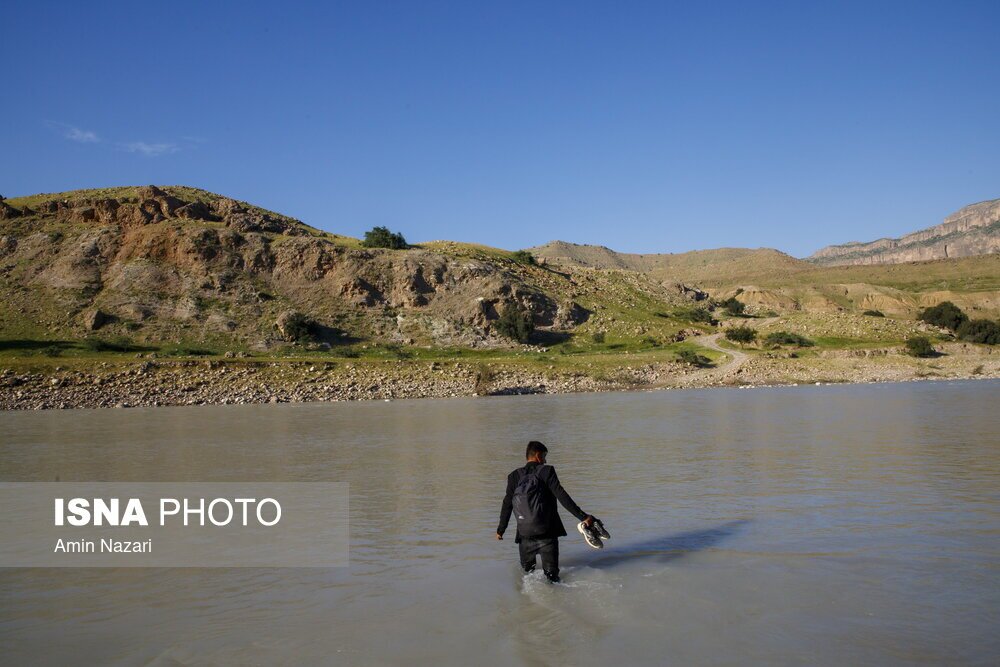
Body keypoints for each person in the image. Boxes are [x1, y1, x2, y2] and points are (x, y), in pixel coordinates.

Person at [496, 441, 594, 583]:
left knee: (528, 577)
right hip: (547, 535)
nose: (545, 460)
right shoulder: (546, 471)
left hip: (524, 537)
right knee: (552, 579)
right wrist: (583, 517)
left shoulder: (514, 476)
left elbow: (507, 504)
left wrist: (501, 530)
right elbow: (562, 496)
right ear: (538, 456)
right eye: (544, 455)